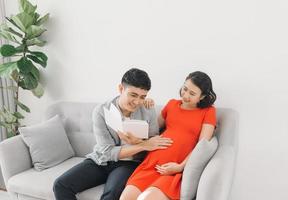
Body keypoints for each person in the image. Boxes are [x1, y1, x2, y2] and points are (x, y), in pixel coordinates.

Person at [53, 68, 173, 200]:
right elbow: (106, 151)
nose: (137, 102)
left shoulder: (147, 110)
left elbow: (153, 141)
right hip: (101, 160)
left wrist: (138, 142)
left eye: (142, 97)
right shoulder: (101, 111)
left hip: (129, 164)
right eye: (133, 95)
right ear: (121, 88)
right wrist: (142, 145)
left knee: (111, 195)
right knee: (60, 185)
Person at [120, 71, 217, 200]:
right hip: (151, 164)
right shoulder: (171, 104)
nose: (185, 95)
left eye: (192, 93)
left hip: (172, 170)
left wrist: (180, 167)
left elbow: (202, 146)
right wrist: (145, 106)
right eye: (185, 89)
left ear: (202, 96)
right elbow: (151, 131)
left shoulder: (209, 111)